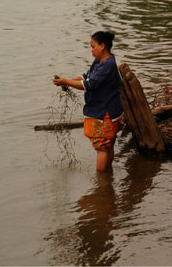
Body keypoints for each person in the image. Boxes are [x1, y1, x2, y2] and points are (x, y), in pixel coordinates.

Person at [53, 31, 124, 172]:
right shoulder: (100, 61)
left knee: (102, 148)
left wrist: (66, 81)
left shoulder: (107, 65)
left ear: (102, 46)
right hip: (109, 109)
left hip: (105, 112)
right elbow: (86, 76)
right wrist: (70, 81)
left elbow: (89, 84)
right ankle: (107, 177)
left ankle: (102, 182)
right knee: (107, 146)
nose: (91, 50)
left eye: (93, 46)